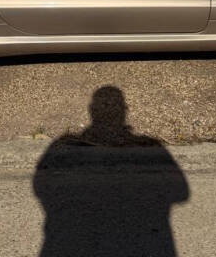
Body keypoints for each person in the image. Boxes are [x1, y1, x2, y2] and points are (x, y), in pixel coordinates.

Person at [33, 86, 189, 257]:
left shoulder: (62, 145)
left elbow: (40, 185)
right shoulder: (150, 144)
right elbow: (182, 193)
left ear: (91, 110)